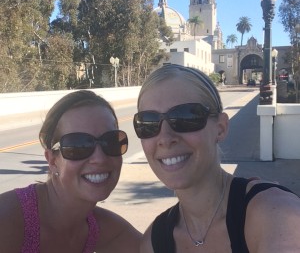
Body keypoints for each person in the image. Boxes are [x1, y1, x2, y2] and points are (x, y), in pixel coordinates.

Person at [133, 64, 300, 253]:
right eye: (148, 122)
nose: (164, 138)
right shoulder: (154, 242)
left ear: (220, 128)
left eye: (186, 118)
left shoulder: (276, 213)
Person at [0, 90, 141, 253]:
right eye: (78, 146)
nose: (100, 158)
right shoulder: (8, 220)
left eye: (111, 142)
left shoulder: (99, 228)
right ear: (52, 160)